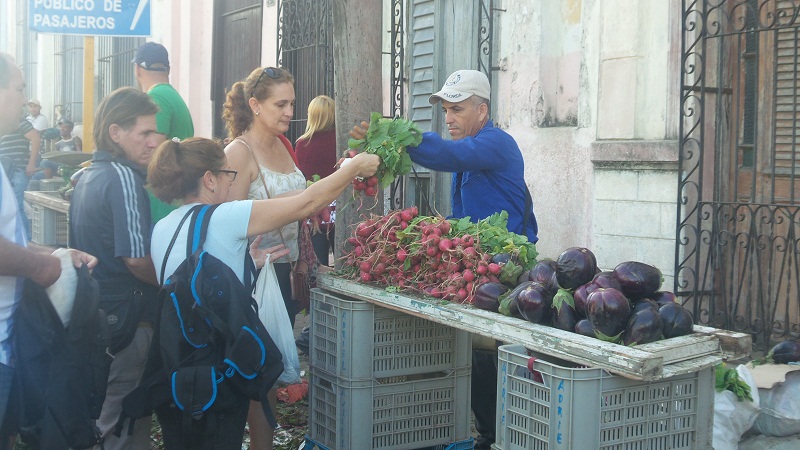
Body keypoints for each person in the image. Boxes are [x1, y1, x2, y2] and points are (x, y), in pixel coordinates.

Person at [147, 137, 379, 450]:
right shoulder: (224, 217)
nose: (232, 183)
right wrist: (353, 170)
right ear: (210, 179)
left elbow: (194, 279)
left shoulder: (163, 227)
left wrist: (244, 265)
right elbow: (306, 204)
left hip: (177, 365)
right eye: (229, 175)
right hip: (217, 364)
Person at [352, 69, 538, 450]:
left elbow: (450, 155)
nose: (448, 119)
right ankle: (483, 429)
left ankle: (496, 434)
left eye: (457, 110)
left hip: (505, 263)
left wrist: (397, 134)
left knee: (488, 346)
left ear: (481, 110)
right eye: (446, 111)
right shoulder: (474, 146)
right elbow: (460, 212)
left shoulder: (496, 143)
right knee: (473, 345)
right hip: (479, 261)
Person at [0, 51, 97, 450]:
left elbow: (12, 241)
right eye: (20, 89)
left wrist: (58, 252)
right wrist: (43, 269)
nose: (25, 100)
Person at [69, 87, 161, 450]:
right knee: (123, 426)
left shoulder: (87, 176)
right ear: (115, 132)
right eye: (145, 133)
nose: (154, 142)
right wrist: (173, 284)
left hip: (100, 317)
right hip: (127, 321)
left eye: (156, 133)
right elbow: (136, 260)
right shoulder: (122, 178)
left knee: (106, 420)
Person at [222, 65, 308, 450]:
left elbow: (298, 205)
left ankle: (263, 445)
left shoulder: (283, 145)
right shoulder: (238, 152)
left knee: (269, 374)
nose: (289, 111)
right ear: (254, 105)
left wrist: (306, 255)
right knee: (252, 372)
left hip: (284, 274)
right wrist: (249, 261)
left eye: (292, 102)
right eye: (280, 104)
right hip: (251, 280)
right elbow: (222, 221)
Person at [131, 41, 195, 224]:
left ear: (137, 69)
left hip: (161, 201)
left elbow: (154, 152)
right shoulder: (173, 96)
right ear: (168, 69)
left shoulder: (155, 97)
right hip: (175, 195)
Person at [295, 95, 338, 266]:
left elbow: (300, 177)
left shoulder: (302, 144)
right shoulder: (340, 140)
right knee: (345, 265)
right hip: (339, 208)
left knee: (318, 264)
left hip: (315, 210)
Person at [0, 118, 41, 237]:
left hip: (17, 171)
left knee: (16, 206)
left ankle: (25, 239)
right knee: (11, 207)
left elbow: (36, 139)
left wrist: (31, 163)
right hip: (7, 172)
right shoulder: (5, 127)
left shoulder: (20, 122)